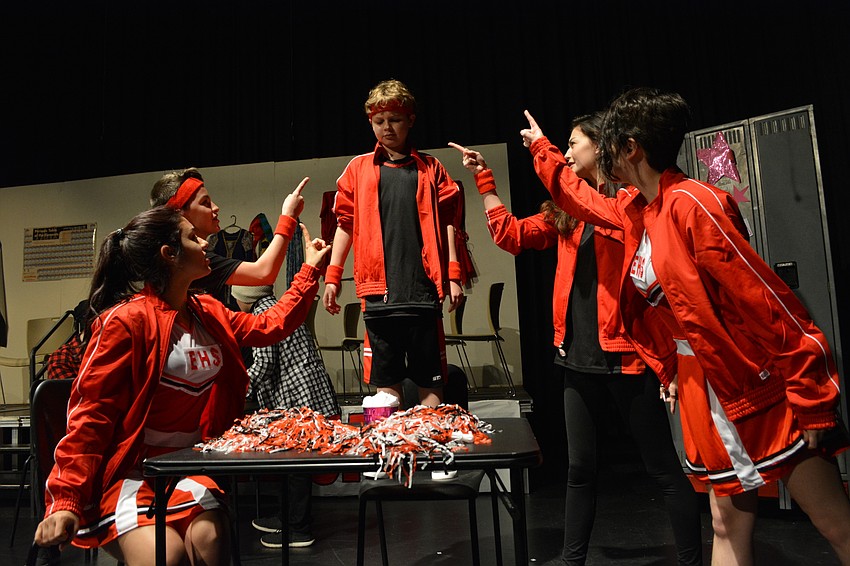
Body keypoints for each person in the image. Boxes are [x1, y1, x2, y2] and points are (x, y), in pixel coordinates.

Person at [521, 88, 850, 566]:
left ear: (631, 147)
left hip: (757, 387)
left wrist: (813, 395)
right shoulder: (638, 209)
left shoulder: (695, 203)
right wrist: (541, 149)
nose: (601, 152)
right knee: (725, 523)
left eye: (608, 142)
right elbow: (576, 197)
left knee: (834, 523)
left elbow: (769, 302)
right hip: (704, 386)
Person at [451, 121, 703, 566]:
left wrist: (543, 150)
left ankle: (690, 560)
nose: (566, 153)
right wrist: (485, 180)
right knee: (579, 469)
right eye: (563, 146)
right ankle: (572, 561)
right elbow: (511, 236)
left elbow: (583, 198)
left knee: (663, 468)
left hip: (627, 357)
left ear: (601, 146)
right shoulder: (567, 212)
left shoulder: (627, 204)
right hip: (577, 358)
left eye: (572, 143)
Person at [33, 205, 330, 566]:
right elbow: (89, 417)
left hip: (189, 466)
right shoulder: (125, 322)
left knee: (210, 540)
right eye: (193, 237)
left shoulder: (207, 311)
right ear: (168, 254)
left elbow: (271, 326)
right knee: (167, 556)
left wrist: (311, 268)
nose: (205, 243)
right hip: (132, 473)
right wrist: (66, 500)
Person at [321, 78, 463, 408]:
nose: (387, 128)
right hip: (379, 297)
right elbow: (345, 225)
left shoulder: (430, 168)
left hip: (423, 293)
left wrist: (453, 273)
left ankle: (430, 449)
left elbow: (447, 225)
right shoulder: (357, 169)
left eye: (395, 120)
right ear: (371, 122)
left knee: (432, 388)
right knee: (385, 395)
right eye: (379, 121)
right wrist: (332, 276)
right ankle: (391, 455)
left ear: (410, 120)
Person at [231, 283, 341, 549]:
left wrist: (235, 387)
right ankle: (286, 517)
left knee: (295, 465)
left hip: (298, 397)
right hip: (301, 393)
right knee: (287, 461)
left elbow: (265, 363)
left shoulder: (263, 314)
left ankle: (299, 528)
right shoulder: (276, 307)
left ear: (246, 298)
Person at [150, 167, 309, 310]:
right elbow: (264, 273)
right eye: (205, 203)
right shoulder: (189, 261)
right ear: (179, 214)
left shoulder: (189, 258)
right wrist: (288, 217)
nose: (215, 207)